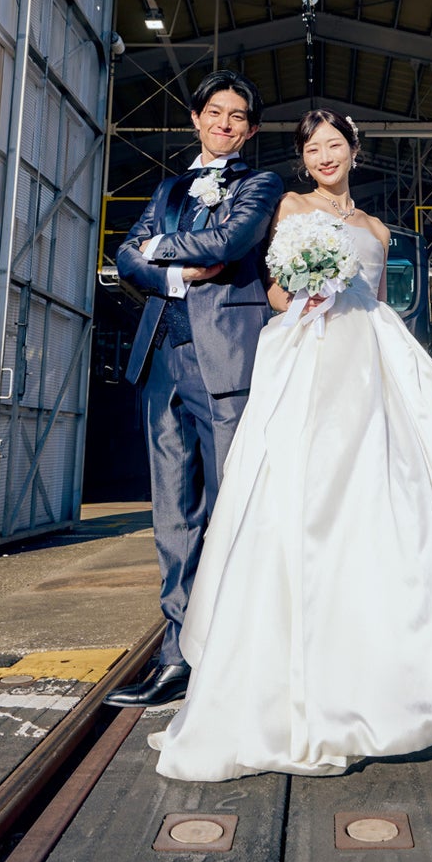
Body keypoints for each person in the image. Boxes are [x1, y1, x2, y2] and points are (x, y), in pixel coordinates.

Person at [150, 109, 432, 780]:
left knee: (396, 495)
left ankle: (407, 671)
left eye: (334, 145)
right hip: (309, 352)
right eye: (313, 148)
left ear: (354, 150)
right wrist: (304, 292)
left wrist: (343, 296)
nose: (324, 156)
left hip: (372, 355)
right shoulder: (289, 208)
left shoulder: (378, 230)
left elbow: (375, 299)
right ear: (303, 157)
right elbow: (275, 293)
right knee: (305, 498)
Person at [108, 70, 285, 710]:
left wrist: (158, 247)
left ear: (250, 129)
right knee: (172, 516)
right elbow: (125, 256)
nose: (224, 123)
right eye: (215, 112)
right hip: (162, 358)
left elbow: (230, 241)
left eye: (237, 116)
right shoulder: (167, 188)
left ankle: (237, 653)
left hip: (228, 361)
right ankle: (177, 655)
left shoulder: (262, 184)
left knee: (231, 508)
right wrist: (176, 273)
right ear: (196, 118)